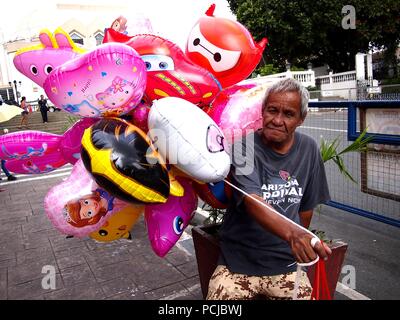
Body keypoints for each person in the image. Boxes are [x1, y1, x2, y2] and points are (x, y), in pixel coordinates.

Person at [207, 78, 332, 300]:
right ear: (262, 111)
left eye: (288, 114)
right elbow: (252, 200)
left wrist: (297, 245)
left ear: (301, 119)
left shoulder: (309, 149)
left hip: (286, 263)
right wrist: (294, 236)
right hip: (238, 262)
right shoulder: (243, 147)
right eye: (272, 110)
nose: (277, 120)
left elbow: (306, 208)